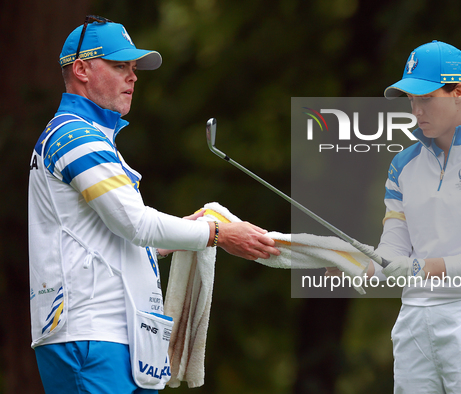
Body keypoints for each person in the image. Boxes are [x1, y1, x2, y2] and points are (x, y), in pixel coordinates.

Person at [28, 16, 280, 394]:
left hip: (118, 337)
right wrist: (217, 233)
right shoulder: (74, 133)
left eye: (133, 69)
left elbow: (119, 239)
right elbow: (136, 224)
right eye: (119, 66)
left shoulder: (93, 137)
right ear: (81, 69)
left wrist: (184, 234)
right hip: (90, 337)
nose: (133, 77)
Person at [329, 40, 461, 393]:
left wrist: (420, 268)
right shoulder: (402, 165)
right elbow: (394, 249)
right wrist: (359, 263)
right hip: (415, 320)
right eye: (411, 100)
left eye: (426, 99)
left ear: (458, 93)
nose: (416, 111)